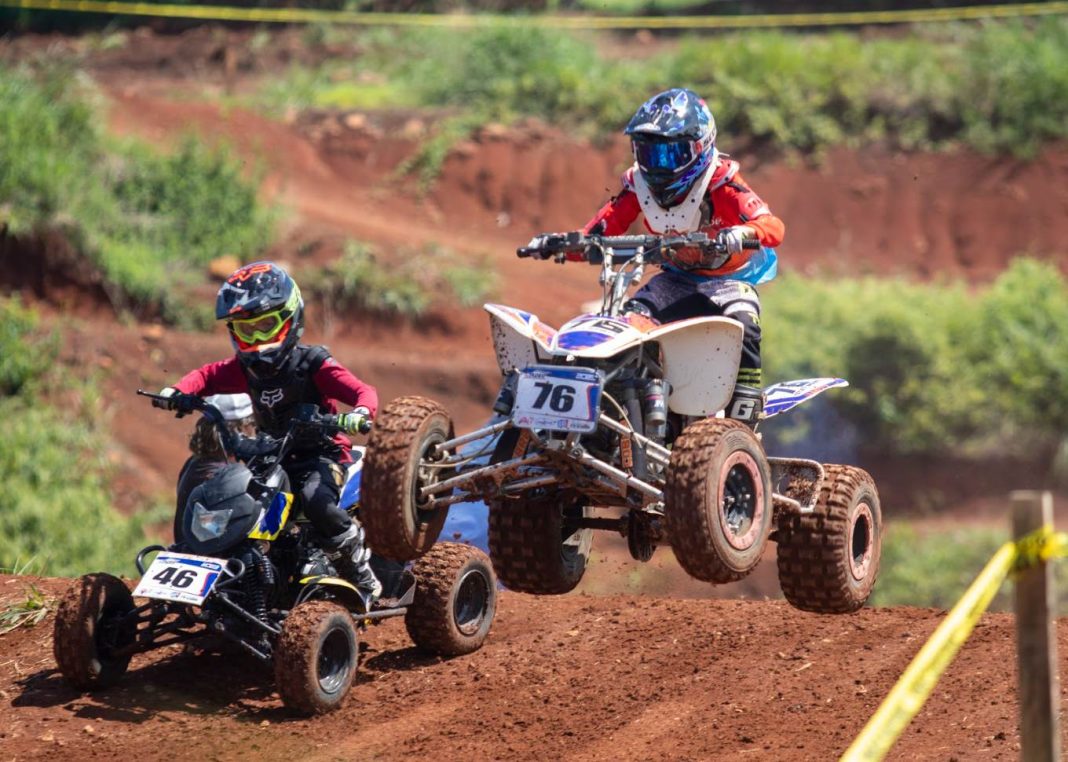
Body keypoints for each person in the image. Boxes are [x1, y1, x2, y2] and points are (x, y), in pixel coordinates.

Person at [154, 261, 382, 609]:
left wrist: (361, 415)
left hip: (321, 454)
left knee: (317, 502)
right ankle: (220, 573)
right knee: (228, 499)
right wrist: (177, 391)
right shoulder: (245, 369)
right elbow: (206, 375)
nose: (258, 341)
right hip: (269, 453)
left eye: (266, 327)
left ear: (290, 319)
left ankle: (362, 573)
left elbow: (363, 392)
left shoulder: (313, 364)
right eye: (247, 331)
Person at [577, 87, 786, 425]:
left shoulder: (723, 183)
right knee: (627, 325)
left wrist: (745, 233)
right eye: (649, 153)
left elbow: (773, 227)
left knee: (745, 321)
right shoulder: (637, 186)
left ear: (701, 146)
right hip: (673, 280)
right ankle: (619, 415)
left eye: (671, 154)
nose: (659, 166)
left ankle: (743, 425)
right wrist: (568, 244)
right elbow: (604, 226)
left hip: (727, 283)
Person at [173, 393, 256, 545]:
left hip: (186, 550)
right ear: (241, 429)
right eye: (253, 424)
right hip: (213, 560)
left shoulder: (195, 462)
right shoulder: (221, 475)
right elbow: (211, 532)